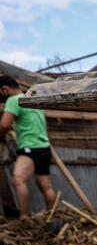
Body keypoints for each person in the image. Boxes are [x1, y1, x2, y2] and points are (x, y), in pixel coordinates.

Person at [0, 75, 56, 219]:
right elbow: (32, 123)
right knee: (47, 187)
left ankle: (24, 217)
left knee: (18, 180)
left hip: (29, 148)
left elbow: (4, 125)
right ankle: (53, 217)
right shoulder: (33, 100)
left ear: (5, 89)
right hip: (44, 147)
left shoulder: (13, 100)